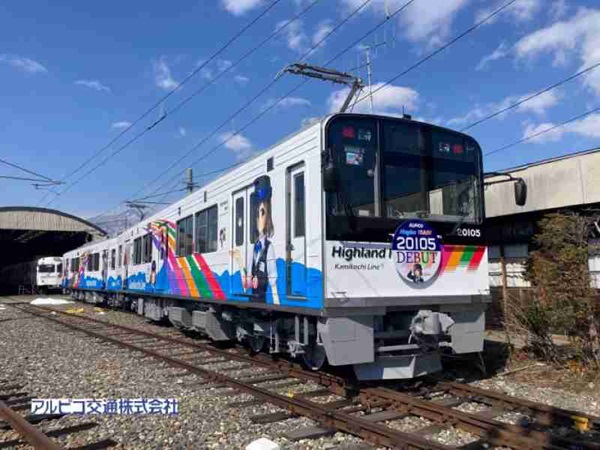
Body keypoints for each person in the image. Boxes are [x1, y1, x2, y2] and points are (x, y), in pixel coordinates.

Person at [232, 175, 280, 304]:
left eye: (262, 213)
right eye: (257, 213)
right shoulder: (254, 248)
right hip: (253, 298)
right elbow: (247, 282)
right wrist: (238, 260)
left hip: (262, 299)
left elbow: (273, 279)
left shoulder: (269, 248)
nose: (259, 218)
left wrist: (276, 302)